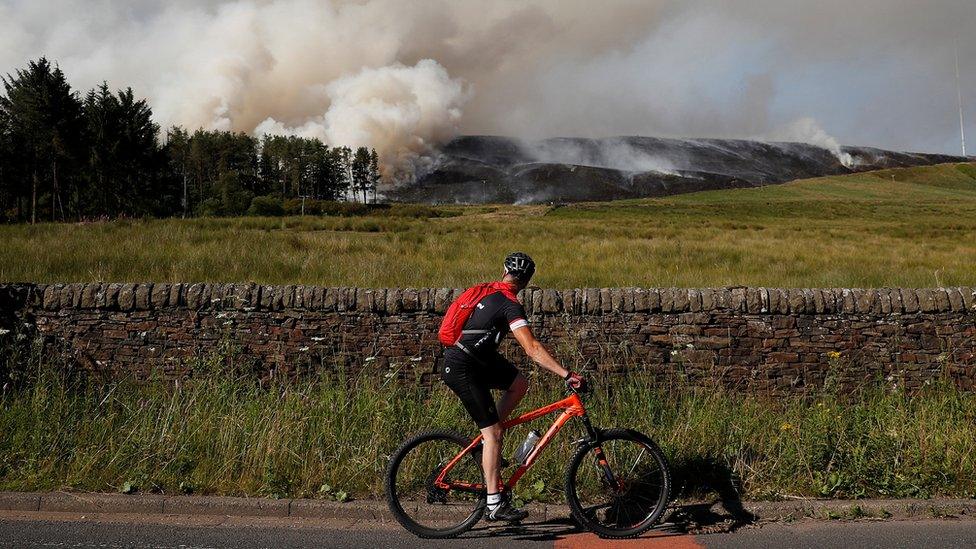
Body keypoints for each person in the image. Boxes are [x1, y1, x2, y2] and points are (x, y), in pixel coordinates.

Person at [440, 252, 584, 522]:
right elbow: (532, 348)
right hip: (464, 367)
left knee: (519, 384)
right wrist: (566, 374)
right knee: (493, 434)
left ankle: (489, 440)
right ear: (527, 281)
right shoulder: (509, 304)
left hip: (473, 359)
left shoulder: (488, 292)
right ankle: (494, 503)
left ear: (504, 271)